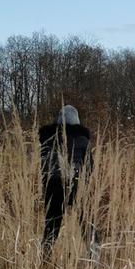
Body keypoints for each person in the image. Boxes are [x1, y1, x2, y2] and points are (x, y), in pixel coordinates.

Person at [38, 104, 92, 247]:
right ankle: (94, 253)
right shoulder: (83, 140)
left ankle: (45, 254)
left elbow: (43, 164)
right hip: (77, 183)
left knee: (52, 224)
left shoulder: (47, 139)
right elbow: (89, 167)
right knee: (86, 220)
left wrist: (46, 183)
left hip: (53, 184)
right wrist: (85, 184)